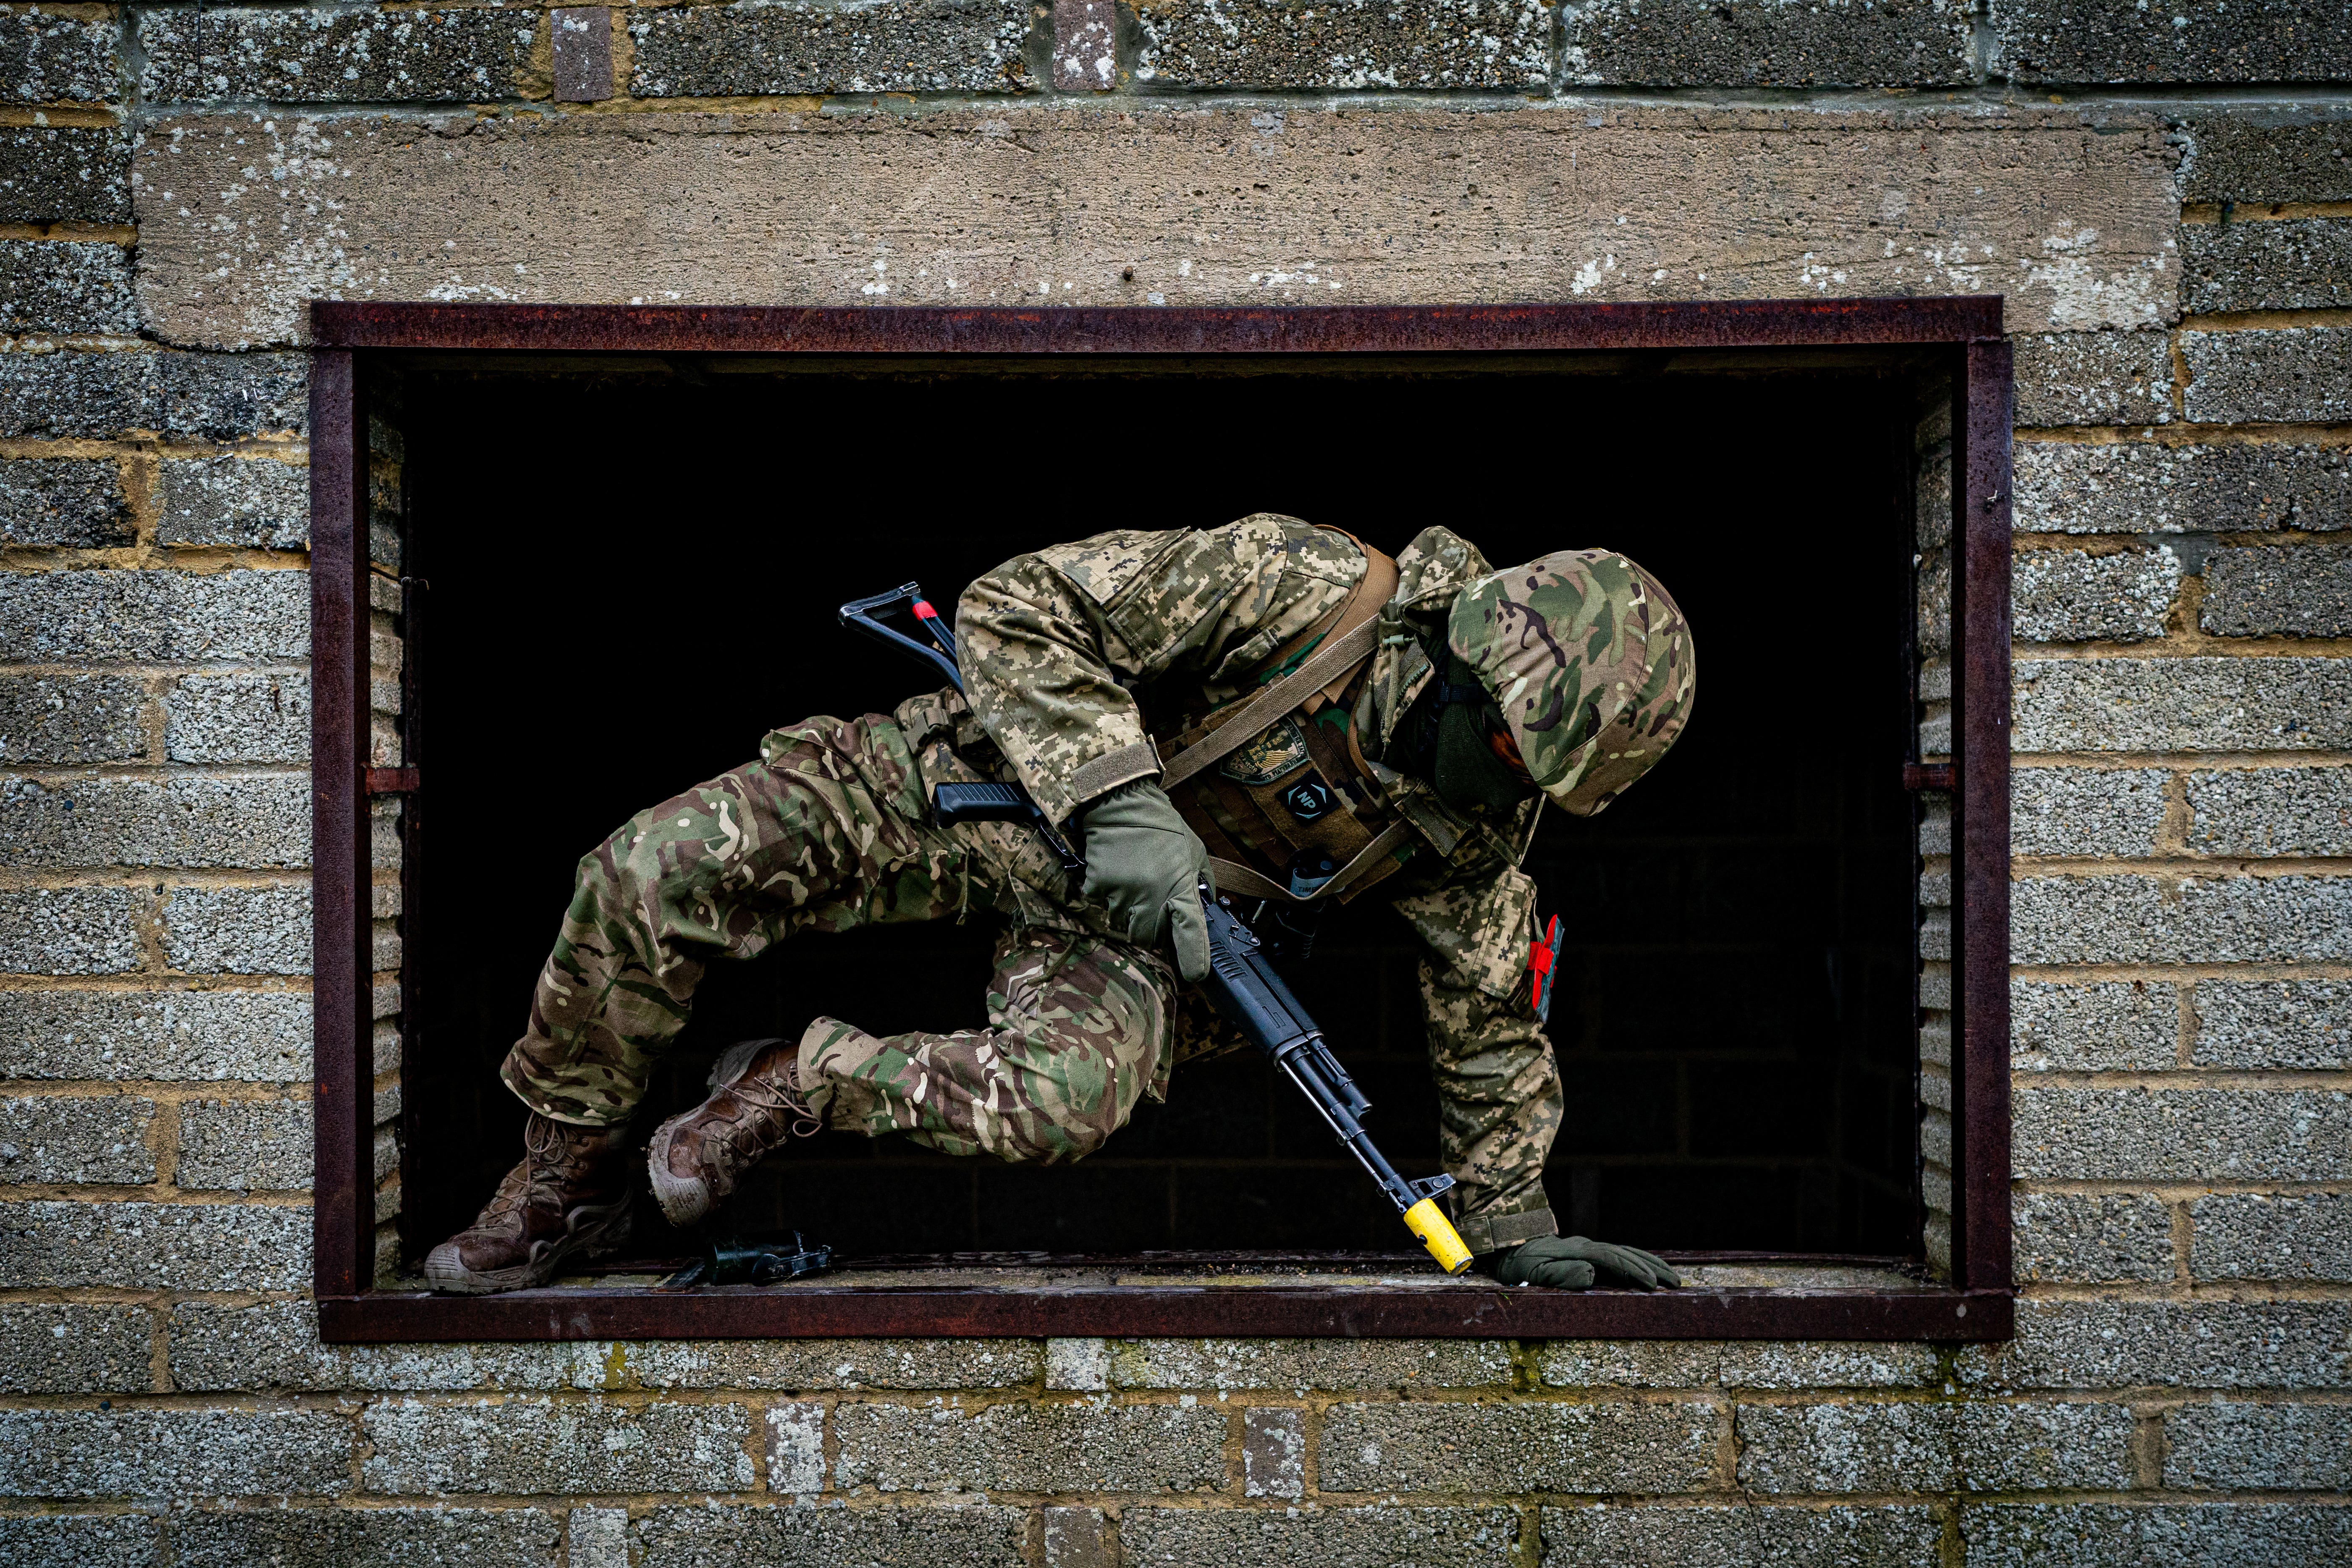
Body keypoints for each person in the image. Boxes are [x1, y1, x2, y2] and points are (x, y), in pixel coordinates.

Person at [424, 517, 1696, 1295]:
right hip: (972, 784)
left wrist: (1511, 1220)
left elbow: (1488, 1017)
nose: (1510, 790)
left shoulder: (1469, 830)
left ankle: (794, 1082)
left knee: (1064, 1099)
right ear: (1469, 657)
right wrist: (1120, 800)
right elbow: (1023, 605)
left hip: (1120, 933)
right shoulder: (1309, 588)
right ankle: (567, 1178)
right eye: (1514, 750)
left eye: (1544, 783)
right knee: (645, 874)